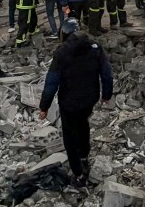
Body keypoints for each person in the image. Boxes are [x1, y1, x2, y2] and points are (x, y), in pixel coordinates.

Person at [38, 18, 114, 188]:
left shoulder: (61, 53)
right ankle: (84, 156)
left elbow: (51, 82)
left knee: (70, 136)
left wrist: (44, 106)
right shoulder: (95, 47)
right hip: (89, 99)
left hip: (69, 103)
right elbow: (107, 74)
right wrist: (106, 95)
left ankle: (78, 174)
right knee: (83, 124)